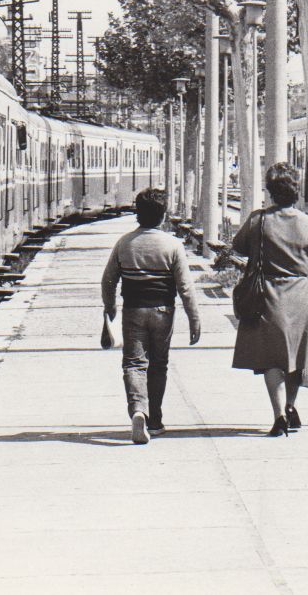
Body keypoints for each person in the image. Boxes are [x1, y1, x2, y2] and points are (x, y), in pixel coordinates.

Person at [231, 162, 308, 437]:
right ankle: (290, 405)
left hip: (268, 293)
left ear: (271, 191)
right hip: (300, 293)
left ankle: (278, 416)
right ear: (296, 190)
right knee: (296, 355)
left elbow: (238, 248)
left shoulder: (258, 220)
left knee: (271, 357)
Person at [102, 188, 201, 444]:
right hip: (163, 311)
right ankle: (155, 420)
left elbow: (108, 280)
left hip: (133, 310)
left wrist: (110, 306)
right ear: (163, 215)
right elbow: (186, 288)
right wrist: (194, 318)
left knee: (134, 364)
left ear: (137, 214)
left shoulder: (124, 243)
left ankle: (138, 411)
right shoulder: (172, 245)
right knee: (158, 364)